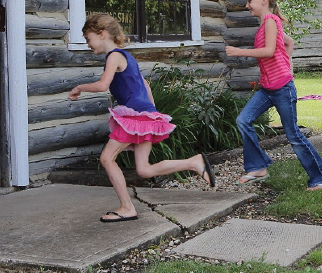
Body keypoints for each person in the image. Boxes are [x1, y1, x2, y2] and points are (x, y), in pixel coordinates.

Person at [69, 13, 215, 222]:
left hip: (134, 118)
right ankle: (194, 162)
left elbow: (102, 85)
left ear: (101, 34)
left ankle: (127, 207)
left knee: (106, 158)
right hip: (144, 116)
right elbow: (144, 84)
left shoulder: (113, 56)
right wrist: (151, 112)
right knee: (144, 169)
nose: (88, 44)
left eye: (88, 39)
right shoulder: (128, 57)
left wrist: (79, 87)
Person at [225, 0, 322, 190]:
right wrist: (286, 64)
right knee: (243, 120)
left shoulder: (270, 21)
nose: (247, 5)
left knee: (293, 135)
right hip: (268, 88)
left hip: (282, 89)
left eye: (250, 1)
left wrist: (240, 52)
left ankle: (319, 177)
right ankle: (258, 167)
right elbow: (288, 43)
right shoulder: (266, 23)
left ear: (263, 0)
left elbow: (268, 51)